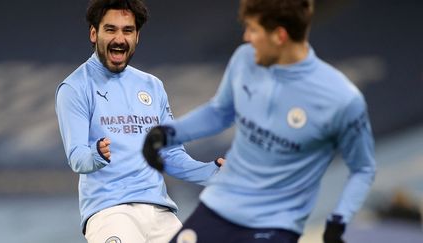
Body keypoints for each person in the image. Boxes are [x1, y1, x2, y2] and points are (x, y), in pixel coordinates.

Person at [142, 0, 376, 242]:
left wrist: (339, 220)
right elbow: (219, 112)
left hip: (275, 225)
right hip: (219, 207)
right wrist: (168, 134)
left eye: (253, 30)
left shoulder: (342, 99)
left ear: (279, 36)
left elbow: (363, 169)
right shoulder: (245, 60)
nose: (246, 37)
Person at [55, 0, 223, 242]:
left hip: (160, 211)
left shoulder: (152, 86)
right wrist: (97, 154)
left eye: (128, 30)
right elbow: (77, 158)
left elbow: (170, 155)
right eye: (110, 29)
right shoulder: (75, 87)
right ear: (94, 33)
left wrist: (212, 173)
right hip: (110, 211)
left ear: (137, 37)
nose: (119, 39)